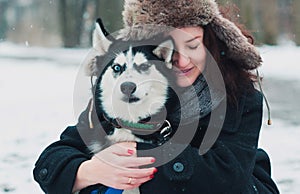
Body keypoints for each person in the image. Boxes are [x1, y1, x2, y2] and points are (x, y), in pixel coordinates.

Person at [33, 0, 280, 193]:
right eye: (169, 48)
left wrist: (135, 155)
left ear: (210, 41)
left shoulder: (239, 96)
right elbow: (53, 159)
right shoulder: (127, 93)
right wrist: (91, 170)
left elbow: (226, 178)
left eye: (193, 45)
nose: (182, 61)